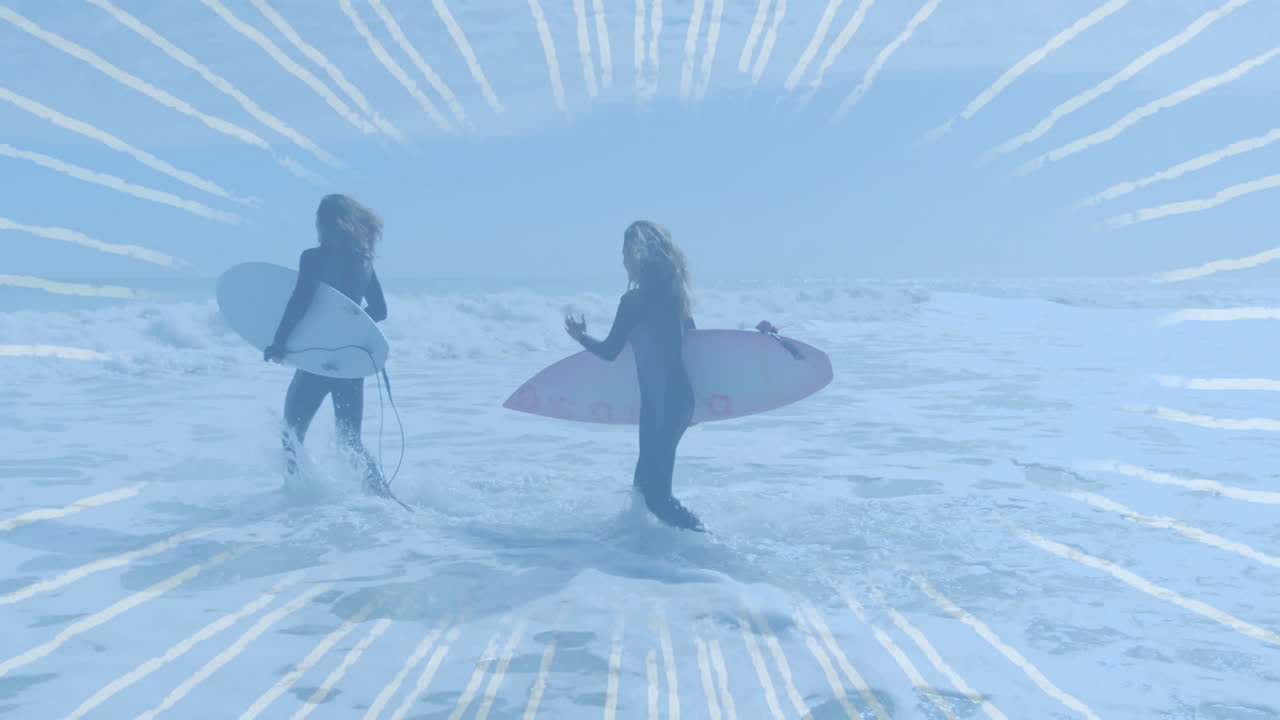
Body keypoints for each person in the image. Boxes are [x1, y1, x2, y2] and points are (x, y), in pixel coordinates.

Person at [564, 220, 705, 532]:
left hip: (661, 405)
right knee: (643, 490)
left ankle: (708, 544)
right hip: (677, 402)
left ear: (638, 256)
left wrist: (580, 337)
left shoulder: (633, 303)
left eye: (625, 253)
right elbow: (695, 346)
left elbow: (611, 351)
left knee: (656, 497)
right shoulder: (675, 298)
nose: (623, 261)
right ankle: (642, 556)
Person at [264, 194, 390, 496]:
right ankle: (382, 495)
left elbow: (300, 302)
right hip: (350, 361)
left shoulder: (313, 258)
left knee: (292, 435)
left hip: (318, 361)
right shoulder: (364, 261)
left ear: (324, 222)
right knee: (351, 441)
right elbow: (380, 310)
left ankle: (296, 496)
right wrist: (349, 327)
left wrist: (279, 342)